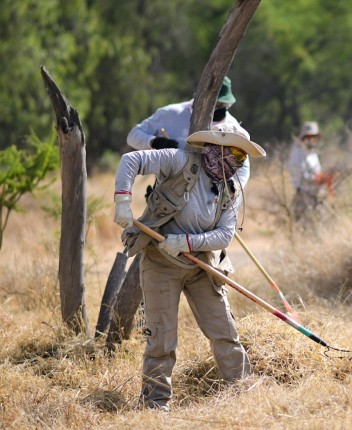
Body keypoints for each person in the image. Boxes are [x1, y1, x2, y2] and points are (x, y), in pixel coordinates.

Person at [113, 126, 266, 411]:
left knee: (225, 332)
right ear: (215, 148)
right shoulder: (179, 161)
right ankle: (155, 405)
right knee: (161, 340)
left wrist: (187, 242)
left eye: (241, 156)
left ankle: (245, 392)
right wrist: (122, 199)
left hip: (201, 267)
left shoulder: (231, 188)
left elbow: (224, 235)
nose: (237, 162)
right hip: (160, 263)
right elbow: (130, 161)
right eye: (233, 152)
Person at [127, 76, 252, 188]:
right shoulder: (170, 113)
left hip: (209, 201)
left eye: (220, 104)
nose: (215, 108)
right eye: (212, 103)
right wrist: (154, 142)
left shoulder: (232, 127)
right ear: (200, 97)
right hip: (165, 193)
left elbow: (243, 167)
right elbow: (133, 136)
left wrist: (230, 191)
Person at [287, 121, 335, 221]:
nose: (311, 140)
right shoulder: (298, 152)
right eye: (308, 137)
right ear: (303, 138)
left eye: (314, 137)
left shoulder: (312, 152)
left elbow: (316, 171)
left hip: (315, 196)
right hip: (303, 196)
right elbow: (301, 175)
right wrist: (319, 178)